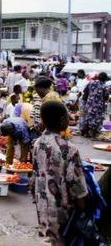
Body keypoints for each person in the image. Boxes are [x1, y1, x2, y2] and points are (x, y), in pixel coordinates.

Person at [31, 101, 88, 246]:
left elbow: (35, 171)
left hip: (42, 201)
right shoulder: (69, 148)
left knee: (51, 237)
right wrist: (82, 206)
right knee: (62, 238)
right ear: (63, 120)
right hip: (61, 206)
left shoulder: (37, 143)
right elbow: (75, 183)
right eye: (68, 117)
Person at [80, 72, 110, 138]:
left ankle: (86, 132)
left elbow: (85, 92)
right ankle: (93, 133)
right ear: (105, 79)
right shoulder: (105, 86)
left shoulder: (91, 83)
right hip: (98, 106)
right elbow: (106, 97)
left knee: (88, 117)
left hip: (89, 104)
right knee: (97, 119)